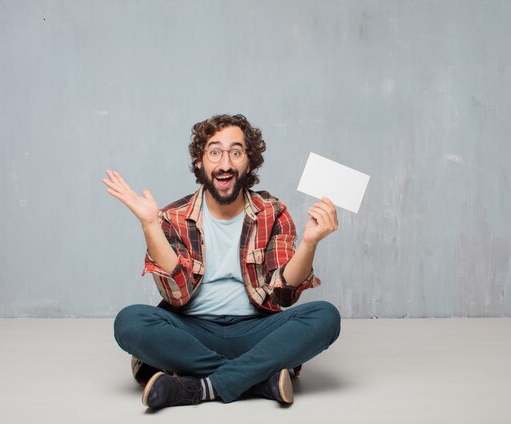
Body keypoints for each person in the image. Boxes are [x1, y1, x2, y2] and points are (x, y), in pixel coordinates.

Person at [102, 114, 341, 409]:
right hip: (191, 332)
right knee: (130, 322)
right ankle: (257, 379)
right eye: (215, 152)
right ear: (200, 162)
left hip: (256, 331)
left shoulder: (273, 212)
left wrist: (309, 242)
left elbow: (284, 295)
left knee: (326, 318)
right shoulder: (173, 217)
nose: (225, 163)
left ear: (248, 163)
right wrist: (151, 225)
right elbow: (176, 296)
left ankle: (199, 387)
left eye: (236, 153)